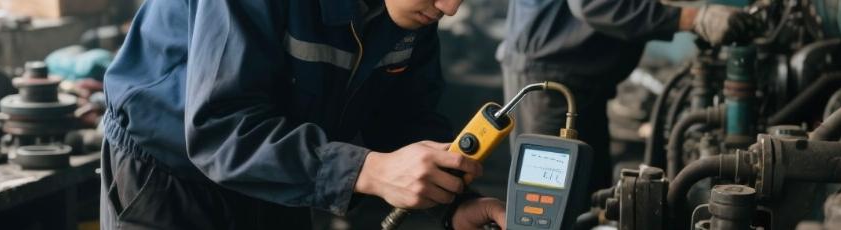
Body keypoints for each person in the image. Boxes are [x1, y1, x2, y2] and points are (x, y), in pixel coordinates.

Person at [99, 0, 506, 229]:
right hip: (172, 184)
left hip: (282, 178)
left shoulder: (415, 9)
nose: (450, 7)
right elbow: (220, 129)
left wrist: (450, 204)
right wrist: (368, 171)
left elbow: (405, 122)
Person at [497, 0, 757, 190]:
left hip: (578, 77)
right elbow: (593, 4)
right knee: (548, 204)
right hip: (550, 83)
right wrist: (693, 18)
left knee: (587, 197)